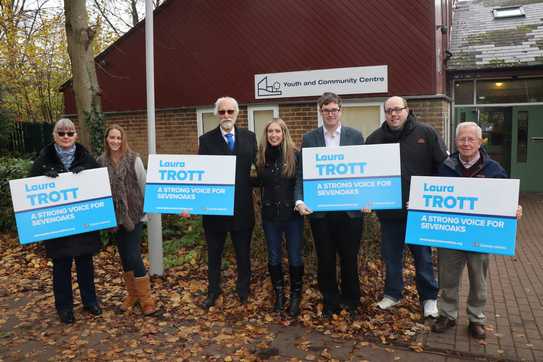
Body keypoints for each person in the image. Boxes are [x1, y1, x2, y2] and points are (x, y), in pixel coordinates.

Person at [432, 122, 523, 339]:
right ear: (456, 141)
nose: (466, 143)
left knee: (478, 279)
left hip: (480, 235)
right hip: (451, 234)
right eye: (462, 139)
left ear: (480, 141)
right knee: (447, 277)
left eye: (471, 139)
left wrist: (515, 207)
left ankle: (476, 318)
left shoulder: (494, 169)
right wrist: (418, 205)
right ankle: (447, 314)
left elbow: (505, 198)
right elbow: (432, 195)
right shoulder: (445, 166)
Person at [365, 96, 447, 318]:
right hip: (390, 212)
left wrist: (429, 199)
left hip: (418, 211)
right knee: (392, 257)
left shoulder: (426, 133)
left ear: (407, 110)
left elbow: (443, 167)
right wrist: (367, 199)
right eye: (389, 110)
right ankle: (392, 294)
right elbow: (366, 176)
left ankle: (429, 298)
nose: (394, 114)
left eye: (398, 109)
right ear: (385, 113)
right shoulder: (374, 139)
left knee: (423, 257)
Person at [294, 92, 364, 318]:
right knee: (325, 259)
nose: (331, 114)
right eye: (326, 110)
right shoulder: (310, 138)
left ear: (341, 111)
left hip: (350, 212)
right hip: (320, 212)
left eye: (334, 109)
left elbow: (365, 171)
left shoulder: (355, 136)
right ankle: (331, 301)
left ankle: (351, 301)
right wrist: (299, 199)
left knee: (349, 258)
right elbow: (302, 173)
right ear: (320, 112)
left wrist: (368, 199)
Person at [29, 118, 102, 324]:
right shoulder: (44, 158)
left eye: (70, 133)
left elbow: (99, 184)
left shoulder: (86, 157)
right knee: (61, 266)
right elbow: (30, 186)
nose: (66, 137)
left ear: (75, 135)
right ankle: (64, 308)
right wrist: (44, 176)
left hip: (83, 224)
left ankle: (90, 301)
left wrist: (86, 172)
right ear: (54, 136)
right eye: (61, 133)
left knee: (85, 264)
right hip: (58, 224)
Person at [198, 96, 257, 308]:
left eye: (230, 111)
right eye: (222, 112)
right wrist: (190, 204)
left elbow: (258, 170)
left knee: (243, 255)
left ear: (237, 113)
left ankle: (243, 291)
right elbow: (200, 176)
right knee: (214, 256)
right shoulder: (205, 140)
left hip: (242, 209)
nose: (226, 116)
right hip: (215, 210)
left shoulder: (250, 138)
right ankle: (213, 291)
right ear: (217, 114)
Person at [97, 124, 157, 316]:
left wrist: (146, 211)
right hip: (114, 217)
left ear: (123, 140)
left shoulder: (134, 159)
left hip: (134, 214)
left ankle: (147, 299)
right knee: (124, 257)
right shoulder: (100, 162)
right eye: (111, 137)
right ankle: (132, 295)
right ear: (107, 139)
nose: (115, 141)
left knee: (133, 255)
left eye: (118, 138)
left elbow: (144, 183)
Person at [254, 118, 304, 316]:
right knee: (274, 256)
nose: (273, 135)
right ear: (266, 135)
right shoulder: (260, 157)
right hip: (270, 216)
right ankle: (279, 294)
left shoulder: (295, 155)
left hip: (292, 215)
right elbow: (257, 182)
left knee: (294, 256)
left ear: (284, 133)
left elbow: (302, 181)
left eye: (277, 131)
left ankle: (295, 295)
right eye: (270, 131)